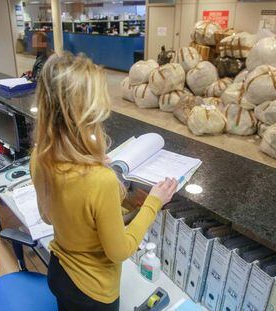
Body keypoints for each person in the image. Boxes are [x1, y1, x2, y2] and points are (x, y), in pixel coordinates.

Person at [31, 52, 178, 310]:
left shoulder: (40, 156)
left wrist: (88, 162)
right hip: (94, 292)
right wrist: (153, 203)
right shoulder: (100, 180)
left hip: (59, 272)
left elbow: (50, 217)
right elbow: (119, 251)